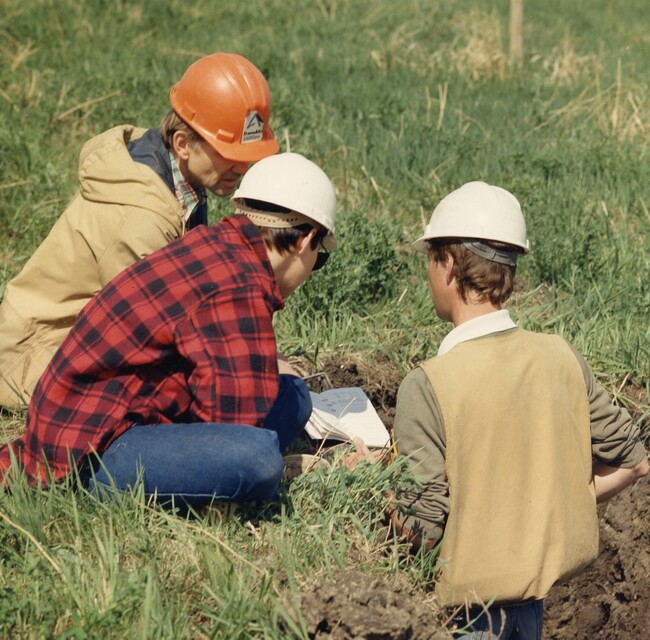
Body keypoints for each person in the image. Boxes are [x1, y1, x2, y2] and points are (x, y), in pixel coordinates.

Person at [0, 152, 336, 513]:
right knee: (258, 459)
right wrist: (277, 467)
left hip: (116, 414)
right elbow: (235, 426)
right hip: (88, 450)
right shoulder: (239, 286)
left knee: (295, 396)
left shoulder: (224, 247)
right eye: (320, 258)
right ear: (306, 241)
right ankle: (101, 489)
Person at [388, 181, 648, 639]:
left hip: (461, 618)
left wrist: (372, 485)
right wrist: (559, 504)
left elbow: (422, 528)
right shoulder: (560, 355)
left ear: (448, 263)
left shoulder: (427, 384)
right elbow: (633, 461)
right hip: (531, 612)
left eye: (430, 258)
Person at [0, 52, 279, 409]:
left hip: (75, 339)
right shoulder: (138, 220)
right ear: (182, 143)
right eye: (229, 151)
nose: (242, 165)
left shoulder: (180, 180)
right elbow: (151, 331)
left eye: (247, 151)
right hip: (33, 354)